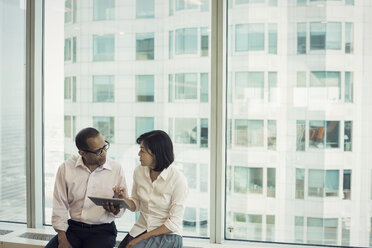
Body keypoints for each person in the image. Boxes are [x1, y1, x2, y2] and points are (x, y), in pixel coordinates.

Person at [45, 127, 128, 248]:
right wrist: (62, 238)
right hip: (73, 229)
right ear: (82, 153)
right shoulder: (66, 168)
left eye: (104, 147)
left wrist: (116, 209)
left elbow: (121, 209)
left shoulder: (116, 169)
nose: (104, 153)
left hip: (102, 231)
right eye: (98, 151)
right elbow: (59, 205)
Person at [117, 130, 188, 248]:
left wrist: (141, 239)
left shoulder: (178, 180)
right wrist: (124, 199)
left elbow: (174, 224)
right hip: (140, 229)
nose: (139, 154)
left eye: (142, 151)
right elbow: (136, 205)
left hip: (167, 234)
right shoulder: (139, 171)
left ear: (156, 154)